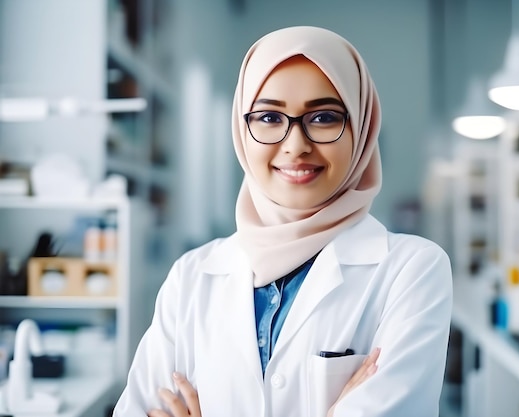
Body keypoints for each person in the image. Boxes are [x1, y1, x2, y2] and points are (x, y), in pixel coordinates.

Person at [113, 25, 453, 417]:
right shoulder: (191, 276)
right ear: (242, 130)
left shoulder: (413, 270)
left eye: (324, 117)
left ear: (360, 127)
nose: (296, 144)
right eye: (270, 117)